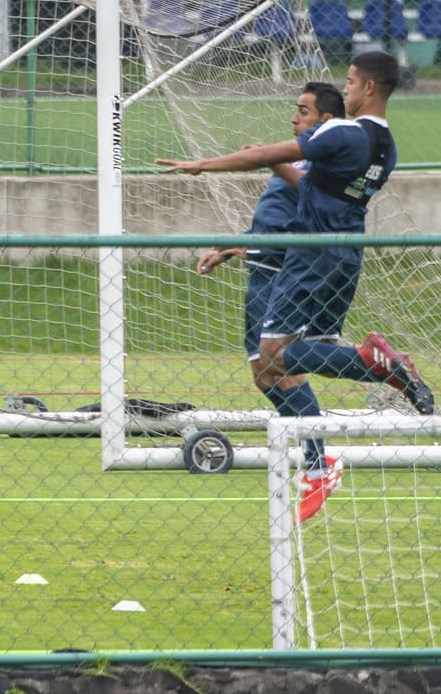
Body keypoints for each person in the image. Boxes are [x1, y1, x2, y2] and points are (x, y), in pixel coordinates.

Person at [156, 52, 433, 522]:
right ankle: (325, 453)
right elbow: (312, 185)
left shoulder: (341, 131)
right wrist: (235, 243)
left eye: (350, 82)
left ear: (368, 87)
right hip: (345, 254)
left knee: (272, 359)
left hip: (311, 255)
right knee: (291, 360)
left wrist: (203, 164)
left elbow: (268, 157)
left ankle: (371, 368)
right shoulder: (387, 147)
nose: (346, 89)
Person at [195, 82, 344, 395]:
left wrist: (269, 160)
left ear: (326, 119)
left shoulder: (326, 166)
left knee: (276, 364)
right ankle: (311, 430)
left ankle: (375, 361)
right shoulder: (295, 163)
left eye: (303, 112)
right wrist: (225, 250)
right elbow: (272, 220)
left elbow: (311, 221)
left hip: (282, 274)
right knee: (266, 373)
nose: (294, 118)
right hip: (263, 266)